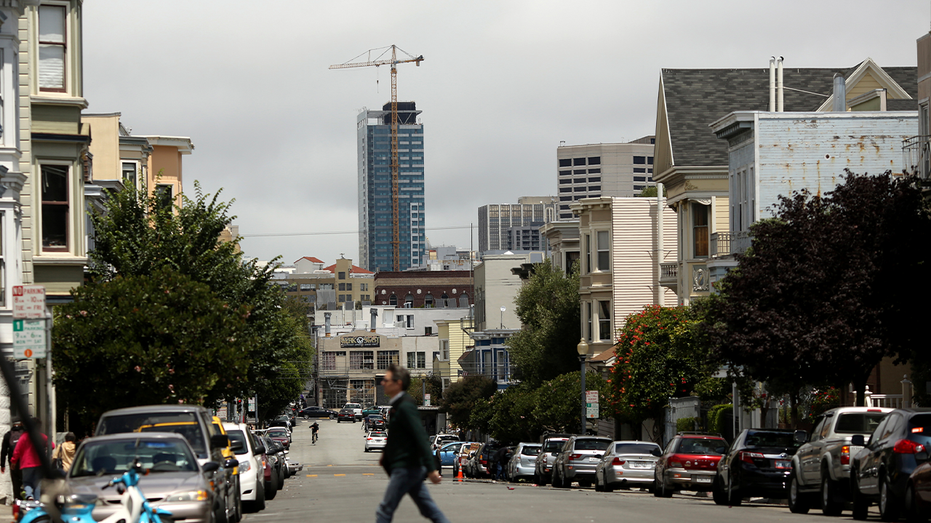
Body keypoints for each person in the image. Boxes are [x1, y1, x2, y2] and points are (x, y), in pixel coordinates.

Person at [376, 364, 449, 523]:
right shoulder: (398, 406)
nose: (382, 383)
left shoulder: (405, 406)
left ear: (398, 383)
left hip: (406, 467)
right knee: (428, 509)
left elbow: (421, 437)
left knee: (384, 510)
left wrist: (431, 469)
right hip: (409, 468)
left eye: (386, 380)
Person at [11, 418, 53, 500]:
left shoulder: (24, 437)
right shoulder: (41, 436)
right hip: (39, 464)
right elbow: (52, 445)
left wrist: (13, 461)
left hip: (26, 464)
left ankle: (29, 495)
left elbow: (17, 450)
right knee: (37, 484)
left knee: (27, 482)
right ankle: (36, 502)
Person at [1, 421, 24, 500]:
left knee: (15, 480)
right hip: (24, 461)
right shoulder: (25, 434)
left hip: (12, 462)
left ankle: (17, 499)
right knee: (26, 480)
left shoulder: (8, 435)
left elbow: (3, 451)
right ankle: (27, 497)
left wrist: (2, 464)